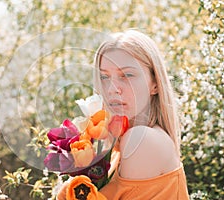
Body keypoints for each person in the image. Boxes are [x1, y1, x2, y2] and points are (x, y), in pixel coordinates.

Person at [57, 30, 189, 200]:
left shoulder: (142, 140)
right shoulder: (115, 146)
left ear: (155, 83)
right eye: (105, 77)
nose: (112, 89)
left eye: (127, 75)